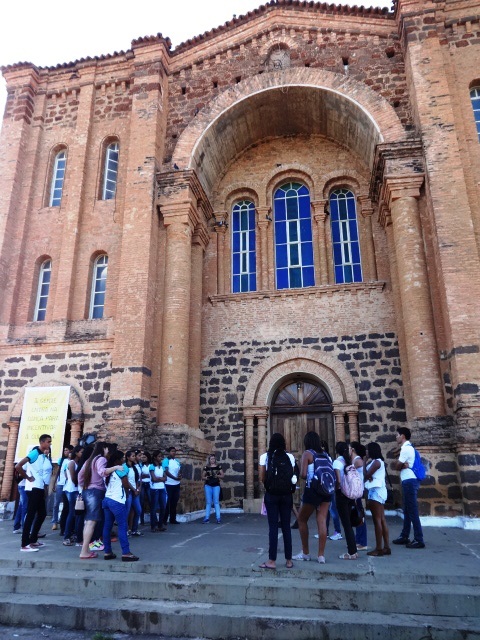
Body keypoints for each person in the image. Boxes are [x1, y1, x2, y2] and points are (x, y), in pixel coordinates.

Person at [77, 441, 122, 559]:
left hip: (87, 491)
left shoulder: (90, 460)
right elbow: (103, 472)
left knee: (88, 522)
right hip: (96, 492)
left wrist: (85, 485)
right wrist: (116, 467)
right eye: (108, 449)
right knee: (91, 522)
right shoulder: (101, 459)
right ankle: (84, 551)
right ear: (104, 448)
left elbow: (80, 476)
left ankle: (85, 549)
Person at [292, 431, 332, 564]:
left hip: (312, 491)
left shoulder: (307, 454)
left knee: (302, 519)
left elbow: (303, 474)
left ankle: (305, 553)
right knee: (322, 520)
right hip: (326, 491)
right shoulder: (326, 455)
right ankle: (321, 555)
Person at [258, 433, 295, 569]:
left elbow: (262, 477)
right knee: (286, 527)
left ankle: (272, 561)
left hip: (272, 495)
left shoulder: (265, 457)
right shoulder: (290, 457)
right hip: (286, 495)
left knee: (273, 527)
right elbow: (292, 474)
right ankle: (289, 560)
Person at [15, 434, 53, 552]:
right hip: (33, 488)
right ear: (42, 442)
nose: (49, 444)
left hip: (39, 488)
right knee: (30, 515)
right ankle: (24, 544)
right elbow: (18, 466)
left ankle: (33, 539)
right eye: (48, 442)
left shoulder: (42, 456)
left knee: (42, 514)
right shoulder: (35, 452)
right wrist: (27, 477)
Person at [102, 450, 139, 562]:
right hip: (117, 500)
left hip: (107, 499)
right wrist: (129, 491)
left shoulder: (110, 470)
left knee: (107, 526)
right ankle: (126, 552)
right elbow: (125, 483)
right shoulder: (121, 469)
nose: (123, 460)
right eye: (122, 458)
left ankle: (107, 552)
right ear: (118, 460)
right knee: (123, 526)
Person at [392, 427, 425, 549]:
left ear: (403, 436)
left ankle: (419, 539)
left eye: (397, 435)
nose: (396, 437)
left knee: (412, 511)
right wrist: (402, 465)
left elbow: (396, 466)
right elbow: (400, 465)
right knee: (407, 509)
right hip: (410, 481)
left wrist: (401, 465)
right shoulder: (410, 448)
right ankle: (404, 535)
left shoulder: (405, 449)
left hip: (409, 481)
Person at [333, 441, 358, 560]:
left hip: (342, 494)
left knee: (346, 524)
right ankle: (354, 550)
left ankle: (351, 552)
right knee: (349, 524)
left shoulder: (337, 462)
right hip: (350, 495)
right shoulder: (348, 461)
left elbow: (338, 480)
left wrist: (335, 488)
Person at [364, 442, 390, 556]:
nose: (366, 452)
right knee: (382, 519)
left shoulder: (376, 462)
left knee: (377, 520)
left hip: (375, 491)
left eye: (367, 450)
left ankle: (379, 548)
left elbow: (365, 474)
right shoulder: (379, 462)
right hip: (379, 490)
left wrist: (364, 462)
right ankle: (386, 547)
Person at [62, 445, 83, 546]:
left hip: (76, 490)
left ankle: (73, 534)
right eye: (81, 452)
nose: (82, 454)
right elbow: (73, 477)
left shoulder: (78, 463)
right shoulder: (71, 463)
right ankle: (66, 536)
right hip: (72, 490)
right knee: (72, 513)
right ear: (76, 452)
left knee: (76, 513)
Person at [350, 441, 367, 551]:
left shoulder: (357, 461)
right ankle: (359, 539)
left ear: (353, 449)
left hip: (357, 491)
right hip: (356, 491)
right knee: (357, 514)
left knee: (359, 515)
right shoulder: (356, 460)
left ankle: (362, 542)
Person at [51, 445, 73, 530]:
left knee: (67, 504)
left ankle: (64, 521)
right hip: (61, 483)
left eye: (67, 450)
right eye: (64, 450)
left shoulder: (73, 461)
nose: (65, 452)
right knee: (56, 503)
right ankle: (54, 522)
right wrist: (54, 483)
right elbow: (58, 472)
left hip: (68, 484)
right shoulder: (62, 460)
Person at [124, 450, 142, 537]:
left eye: (135, 456)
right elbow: (126, 480)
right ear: (128, 457)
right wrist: (134, 489)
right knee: (127, 511)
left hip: (135, 490)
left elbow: (137, 479)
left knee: (138, 510)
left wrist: (138, 488)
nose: (134, 457)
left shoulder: (134, 467)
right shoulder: (125, 467)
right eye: (132, 456)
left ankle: (134, 529)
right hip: (129, 491)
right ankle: (126, 530)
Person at [202, 453, 224, 524]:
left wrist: (218, 475)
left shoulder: (218, 467)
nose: (213, 460)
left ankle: (218, 518)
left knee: (216, 501)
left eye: (214, 459)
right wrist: (206, 478)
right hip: (208, 485)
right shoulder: (206, 467)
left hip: (216, 485)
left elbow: (222, 475)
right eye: (211, 459)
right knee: (208, 502)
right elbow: (202, 476)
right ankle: (207, 517)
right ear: (209, 460)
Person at [162, 447, 182, 525]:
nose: (173, 453)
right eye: (172, 451)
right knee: (167, 502)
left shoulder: (177, 461)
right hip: (168, 484)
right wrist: (175, 478)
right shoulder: (166, 461)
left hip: (176, 484)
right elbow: (166, 472)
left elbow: (179, 469)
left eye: (174, 451)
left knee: (174, 502)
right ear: (168, 452)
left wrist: (180, 475)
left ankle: (173, 519)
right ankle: (164, 519)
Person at [149, 450, 167, 532]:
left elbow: (165, 478)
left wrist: (159, 479)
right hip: (155, 489)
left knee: (163, 507)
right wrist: (161, 479)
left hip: (162, 488)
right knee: (154, 508)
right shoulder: (152, 467)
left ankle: (160, 524)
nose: (160, 458)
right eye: (159, 456)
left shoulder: (162, 466)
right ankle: (153, 525)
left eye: (161, 456)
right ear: (155, 457)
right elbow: (153, 479)